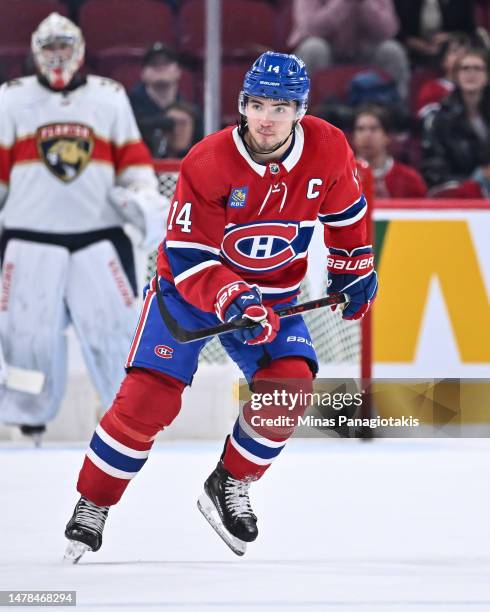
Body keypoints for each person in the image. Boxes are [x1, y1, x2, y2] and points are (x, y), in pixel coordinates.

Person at [64, 52, 378, 561]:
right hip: (189, 295)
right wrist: (233, 297)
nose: (267, 118)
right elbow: (189, 256)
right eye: (257, 104)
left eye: (281, 106)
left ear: (300, 110)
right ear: (242, 105)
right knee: (150, 399)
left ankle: (230, 482)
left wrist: (354, 264)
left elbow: (346, 213)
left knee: (290, 385)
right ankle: (92, 503)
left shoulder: (328, 147)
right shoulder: (208, 161)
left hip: (272, 295)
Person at [0, 13, 168, 442]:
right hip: (27, 238)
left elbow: (134, 165)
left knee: (116, 335)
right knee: (26, 341)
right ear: (37, 53)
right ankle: (27, 428)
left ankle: (128, 426)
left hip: (99, 239)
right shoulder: (11, 99)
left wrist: (142, 198)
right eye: (50, 48)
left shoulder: (108, 98)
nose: (57, 57)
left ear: (78, 51)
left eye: (64, 47)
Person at [287, 0, 410, 100]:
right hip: (326, 52)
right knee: (314, 48)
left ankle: (395, 115)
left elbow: (389, 30)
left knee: (392, 50)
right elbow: (310, 28)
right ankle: (301, 113)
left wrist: (365, 4)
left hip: (362, 53)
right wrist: (343, 3)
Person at [421, 48, 490, 188]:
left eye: (477, 68)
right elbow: (434, 166)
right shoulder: (441, 119)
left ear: (487, 76)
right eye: (465, 68)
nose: (471, 74)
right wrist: (473, 182)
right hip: (460, 189)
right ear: (456, 76)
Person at [129, 43, 203, 157]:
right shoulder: (128, 109)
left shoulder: (192, 114)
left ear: (178, 72)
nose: (160, 66)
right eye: (153, 63)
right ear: (142, 74)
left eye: (167, 62)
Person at [352, 105, 427, 197]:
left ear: (386, 136)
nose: (366, 135)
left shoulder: (410, 180)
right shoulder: (340, 179)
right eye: (360, 129)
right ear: (354, 138)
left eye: (374, 129)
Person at [415, 33, 470, 121]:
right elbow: (428, 122)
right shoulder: (432, 88)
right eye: (454, 52)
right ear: (443, 61)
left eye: (465, 52)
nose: (461, 56)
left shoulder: (477, 87)